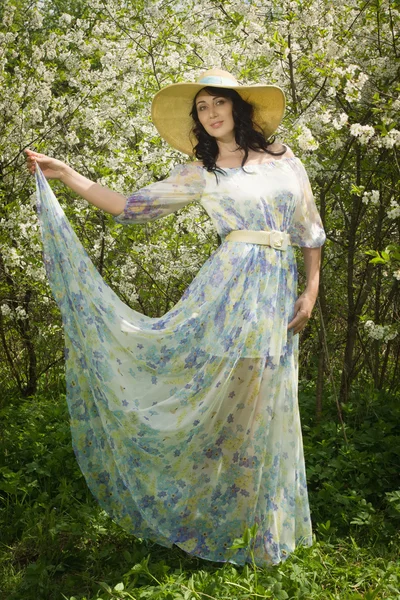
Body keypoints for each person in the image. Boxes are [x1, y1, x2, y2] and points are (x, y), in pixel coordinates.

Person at [25, 68, 326, 567]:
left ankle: (261, 532)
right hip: (229, 296)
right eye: (201, 108)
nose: (210, 114)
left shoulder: (282, 159)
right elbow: (130, 207)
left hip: (277, 293)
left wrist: (311, 289)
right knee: (236, 416)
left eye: (217, 103)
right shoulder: (202, 172)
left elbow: (309, 229)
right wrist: (70, 176)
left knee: (267, 410)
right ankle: (220, 523)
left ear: (237, 106)